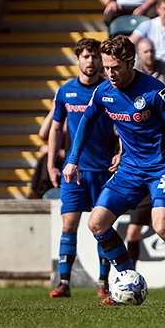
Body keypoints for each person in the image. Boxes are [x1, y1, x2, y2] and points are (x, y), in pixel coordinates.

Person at [61, 35, 165, 306]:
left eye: (116, 68)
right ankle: (125, 278)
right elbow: (86, 122)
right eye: (106, 67)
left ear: (131, 63)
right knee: (96, 223)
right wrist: (72, 159)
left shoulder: (155, 91)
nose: (110, 74)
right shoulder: (104, 92)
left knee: (163, 227)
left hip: (162, 168)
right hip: (129, 170)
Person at [48, 38, 121, 299]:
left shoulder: (108, 90)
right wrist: (51, 164)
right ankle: (64, 282)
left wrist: (121, 152)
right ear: (77, 59)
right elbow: (56, 128)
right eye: (86, 56)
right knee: (69, 224)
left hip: (104, 171)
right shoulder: (65, 92)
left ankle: (103, 283)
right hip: (74, 171)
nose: (91, 61)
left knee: (102, 227)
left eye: (95, 57)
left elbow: (122, 125)